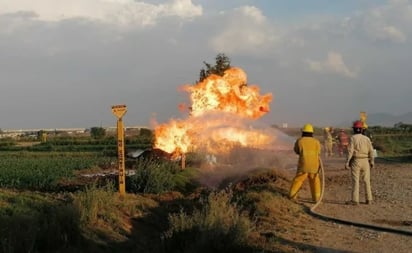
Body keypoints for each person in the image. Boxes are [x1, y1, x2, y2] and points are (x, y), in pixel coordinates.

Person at [289, 123, 322, 203]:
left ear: (303, 132)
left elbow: (296, 151)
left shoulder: (300, 141)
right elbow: (319, 152)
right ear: (312, 133)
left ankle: (292, 196)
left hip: (303, 166)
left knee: (298, 181)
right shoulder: (316, 142)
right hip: (314, 166)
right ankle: (316, 198)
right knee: (315, 181)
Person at [345, 120, 375, 205]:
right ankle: (369, 199)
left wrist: (347, 162)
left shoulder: (352, 138)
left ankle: (355, 200)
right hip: (365, 161)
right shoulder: (367, 139)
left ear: (354, 129)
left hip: (356, 161)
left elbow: (350, 151)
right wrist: (372, 161)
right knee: (366, 181)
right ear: (361, 129)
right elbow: (371, 151)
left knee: (356, 180)